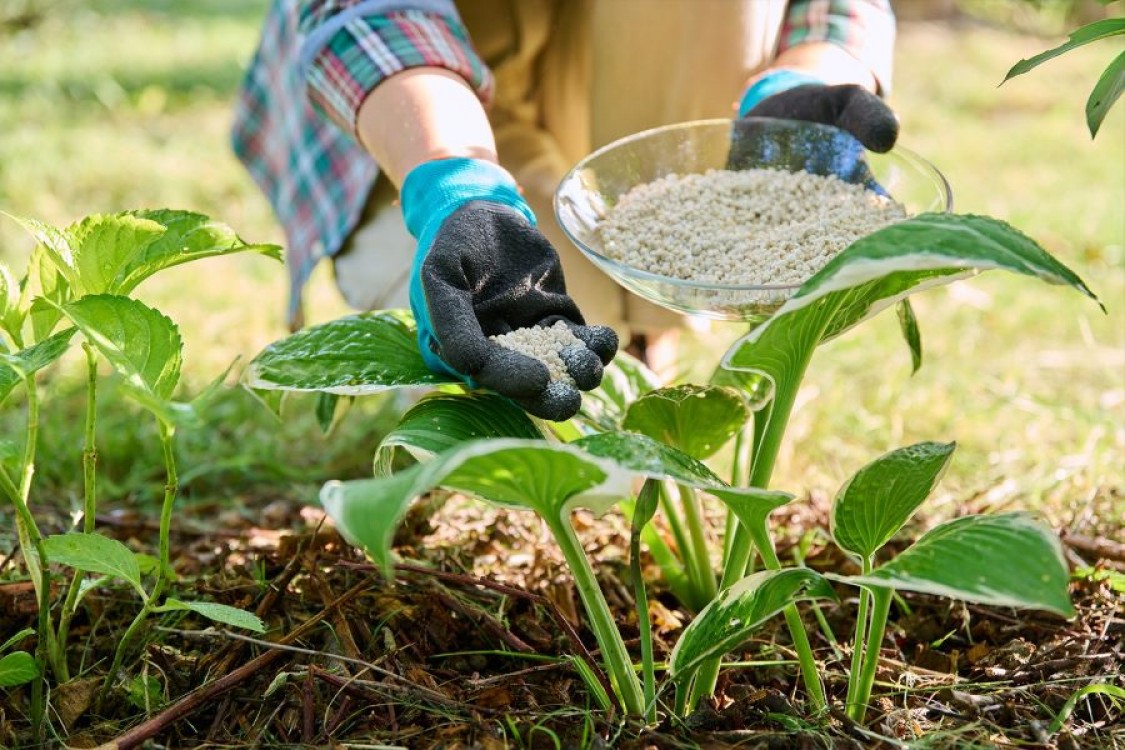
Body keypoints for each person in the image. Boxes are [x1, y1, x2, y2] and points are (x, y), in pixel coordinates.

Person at [233, 0, 897, 420]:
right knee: (555, 461)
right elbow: (373, 15)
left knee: (602, 440)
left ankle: (639, 315)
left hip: (614, 97)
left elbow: (833, 9)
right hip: (412, 112)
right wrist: (451, 185)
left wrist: (809, 75)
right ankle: (440, 229)